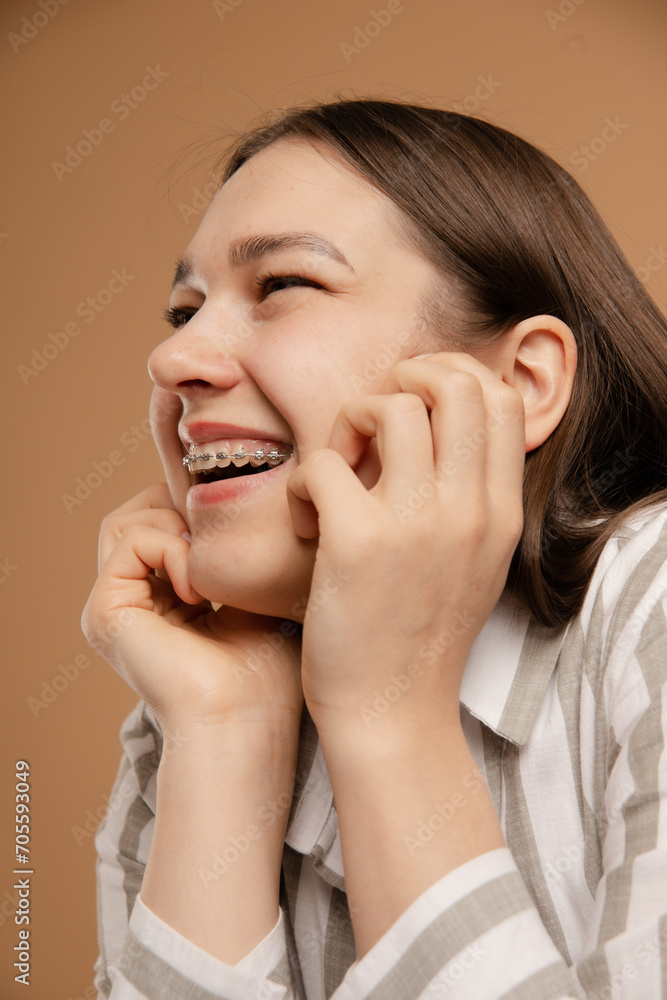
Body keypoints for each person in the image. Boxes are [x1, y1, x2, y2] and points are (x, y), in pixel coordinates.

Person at [82, 98, 667, 999]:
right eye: (182, 311)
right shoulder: (192, 699)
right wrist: (225, 736)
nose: (174, 360)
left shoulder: (650, 610)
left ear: (520, 382)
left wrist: (389, 717)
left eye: (281, 285)